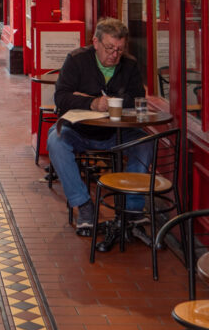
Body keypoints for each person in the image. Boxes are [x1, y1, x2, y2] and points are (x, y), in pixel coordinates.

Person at [46, 17, 152, 234]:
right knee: (55, 141)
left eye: (119, 50)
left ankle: (133, 211)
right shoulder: (76, 60)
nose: (114, 55)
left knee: (145, 143)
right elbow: (61, 98)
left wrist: (115, 101)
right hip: (79, 131)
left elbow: (139, 98)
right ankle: (84, 205)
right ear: (95, 42)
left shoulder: (129, 65)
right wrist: (92, 102)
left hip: (118, 133)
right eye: (109, 48)